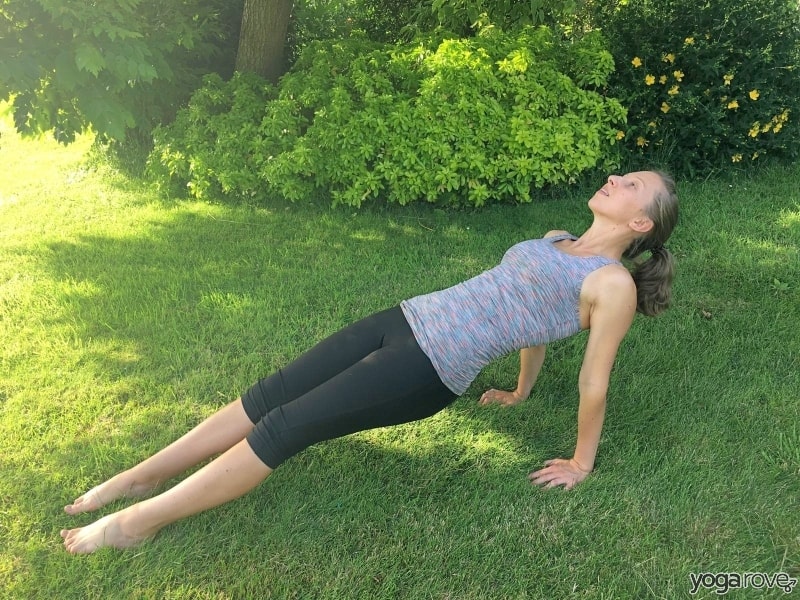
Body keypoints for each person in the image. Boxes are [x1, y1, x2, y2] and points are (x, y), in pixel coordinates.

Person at [61, 171, 678, 555]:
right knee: (267, 395)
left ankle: (137, 522)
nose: (615, 179)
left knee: (285, 428)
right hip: (402, 320)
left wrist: (580, 461)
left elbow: (594, 382)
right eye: (620, 174)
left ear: (639, 221)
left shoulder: (612, 284)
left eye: (631, 185)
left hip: (427, 370)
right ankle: (140, 476)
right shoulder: (554, 241)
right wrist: (519, 392)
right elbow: (533, 327)